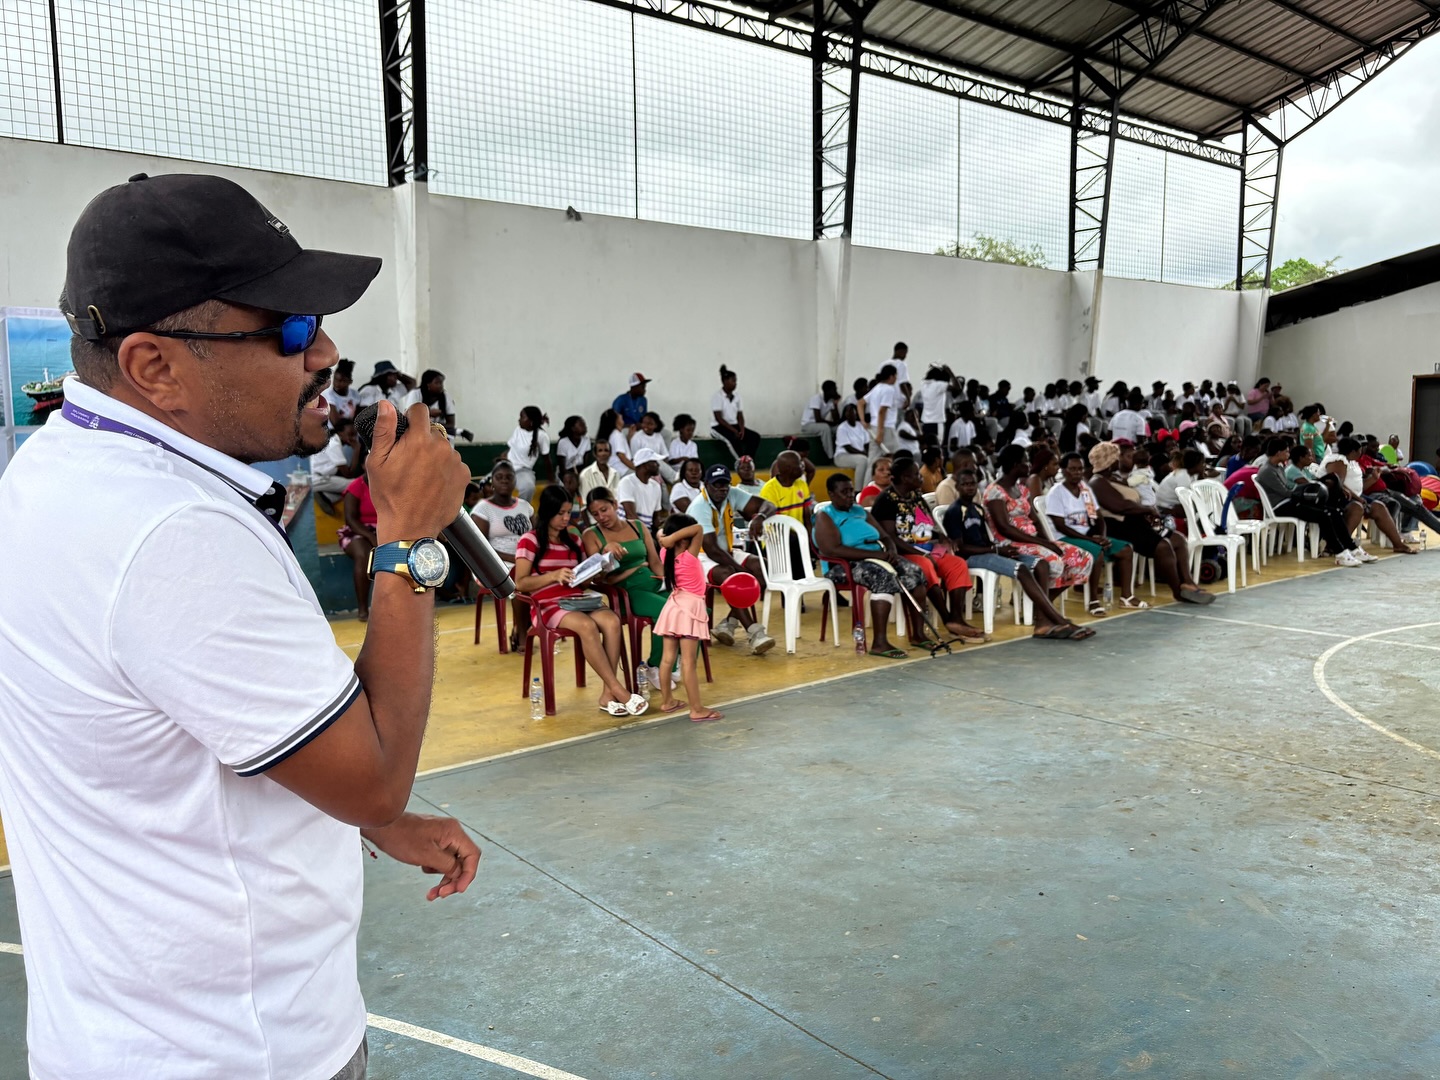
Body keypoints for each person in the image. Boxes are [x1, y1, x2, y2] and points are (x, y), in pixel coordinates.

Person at [0, 172, 479, 1079]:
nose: (324, 350)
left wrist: (359, 822)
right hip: (242, 1050)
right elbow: (376, 777)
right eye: (289, 329)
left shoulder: (55, 471)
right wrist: (410, 542)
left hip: (118, 1036)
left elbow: (165, 733)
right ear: (155, 367)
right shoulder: (174, 535)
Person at [515, 485, 648, 717]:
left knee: (612, 621)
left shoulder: (574, 540)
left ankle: (607, 694)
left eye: (569, 512)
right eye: (561, 513)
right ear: (547, 512)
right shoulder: (530, 540)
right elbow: (520, 583)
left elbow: (583, 581)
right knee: (587, 626)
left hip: (577, 599)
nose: (566, 518)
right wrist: (553, 576)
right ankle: (619, 690)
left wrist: (597, 569)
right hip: (547, 605)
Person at [942, 469, 1091, 640]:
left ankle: (1043, 619)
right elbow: (961, 549)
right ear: (957, 487)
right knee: (1021, 569)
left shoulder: (977, 509)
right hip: (972, 557)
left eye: (972, 484)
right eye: (965, 484)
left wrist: (1001, 550)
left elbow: (985, 540)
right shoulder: (955, 512)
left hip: (989, 552)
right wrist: (996, 551)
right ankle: (1057, 620)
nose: (969, 487)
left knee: (1041, 564)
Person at [814, 473, 927, 658]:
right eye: (844, 492)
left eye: (851, 491)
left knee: (915, 573)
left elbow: (885, 536)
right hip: (843, 565)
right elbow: (832, 549)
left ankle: (918, 634)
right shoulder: (825, 516)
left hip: (877, 558)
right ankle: (879, 643)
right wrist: (876, 555)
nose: (850, 495)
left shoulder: (860, 511)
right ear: (831, 494)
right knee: (883, 577)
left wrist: (891, 551)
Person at [872, 457, 984, 641]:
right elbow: (890, 537)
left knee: (957, 564)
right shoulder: (886, 501)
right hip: (904, 553)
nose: (921, 477)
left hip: (926, 547)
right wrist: (922, 554)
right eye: (916, 474)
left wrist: (941, 537)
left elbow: (923, 526)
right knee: (926, 565)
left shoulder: (915, 496)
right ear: (905, 478)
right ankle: (947, 619)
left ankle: (957, 618)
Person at [1088, 441, 1214, 604]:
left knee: (1179, 540)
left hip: (1134, 522)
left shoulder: (1114, 478)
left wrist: (1146, 512)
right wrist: (1147, 510)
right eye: (1116, 457)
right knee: (1163, 546)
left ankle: (1188, 583)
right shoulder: (1097, 483)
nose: (1119, 460)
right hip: (1118, 527)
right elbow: (1120, 506)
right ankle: (1178, 591)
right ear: (1109, 461)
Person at [984, 445, 1094, 607]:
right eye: (1025, 461)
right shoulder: (995, 492)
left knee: (1083, 558)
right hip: (1011, 543)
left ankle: (1042, 604)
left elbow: (1035, 520)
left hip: (1032, 540)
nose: (1029, 465)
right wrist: (1044, 544)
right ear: (1015, 465)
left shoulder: (1022, 489)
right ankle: (1041, 607)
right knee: (1055, 561)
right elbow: (1004, 528)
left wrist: (1048, 541)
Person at [583, 487, 670, 689]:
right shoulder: (592, 535)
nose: (601, 517)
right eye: (595, 514)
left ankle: (673, 663)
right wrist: (606, 553)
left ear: (615, 504)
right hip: (627, 592)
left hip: (652, 582)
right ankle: (655, 666)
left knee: (689, 605)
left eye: (604, 510)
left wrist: (669, 582)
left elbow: (655, 562)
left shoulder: (637, 526)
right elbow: (598, 578)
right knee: (666, 611)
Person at [1045, 453, 1145, 612]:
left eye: (1080, 469)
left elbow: (1099, 518)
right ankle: (1093, 601)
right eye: (1072, 469)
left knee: (1126, 549)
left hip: (1086, 536)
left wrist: (1102, 536)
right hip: (1064, 537)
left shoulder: (1085, 490)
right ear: (1063, 471)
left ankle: (1126, 596)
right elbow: (1060, 526)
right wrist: (1091, 540)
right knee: (1096, 552)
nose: (1077, 472)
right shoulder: (1056, 493)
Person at [694, 463, 777, 654]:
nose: (722, 489)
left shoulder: (732, 494)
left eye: (725, 484)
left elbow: (769, 505)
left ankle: (728, 623)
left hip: (727, 551)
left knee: (763, 568)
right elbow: (712, 550)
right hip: (701, 556)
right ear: (706, 485)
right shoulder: (699, 507)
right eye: (716, 484)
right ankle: (755, 633)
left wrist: (759, 517)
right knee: (729, 575)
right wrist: (741, 571)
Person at [1253, 438, 1368, 567]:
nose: (1288, 454)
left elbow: (1289, 490)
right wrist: (1306, 494)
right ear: (1278, 452)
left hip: (1290, 502)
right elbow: (1286, 492)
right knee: (1324, 515)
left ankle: (1352, 548)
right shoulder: (1267, 471)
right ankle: (1340, 553)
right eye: (1286, 451)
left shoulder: (1278, 467)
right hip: (1280, 506)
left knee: (1333, 511)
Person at [653, 515, 724, 720]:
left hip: (673, 607)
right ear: (684, 539)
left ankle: (667, 701)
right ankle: (697, 709)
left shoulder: (665, 553)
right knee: (688, 663)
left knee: (667, 659)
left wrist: (667, 539)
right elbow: (699, 528)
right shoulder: (689, 557)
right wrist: (672, 537)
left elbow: (661, 533)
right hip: (689, 609)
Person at [471, 460, 534, 649]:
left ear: (515, 481)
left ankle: (523, 627)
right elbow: (480, 549)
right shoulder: (483, 509)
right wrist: (514, 559)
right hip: (492, 564)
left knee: (541, 575)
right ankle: (522, 634)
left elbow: (536, 536)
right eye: (499, 477)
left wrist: (525, 559)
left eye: (509, 477)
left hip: (522, 560)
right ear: (492, 482)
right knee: (520, 579)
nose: (504, 481)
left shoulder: (525, 506)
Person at [340, 471, 380, 622]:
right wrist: (371, 537)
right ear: (364, 465)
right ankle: (363, 609)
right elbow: (350, 519)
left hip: (384, 529)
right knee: (364, 555)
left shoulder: (388, 483)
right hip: (358, 530)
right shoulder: (356, 486)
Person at [311, 415, 365, 505]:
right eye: (350, 434)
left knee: (345, 488)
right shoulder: (333, 444)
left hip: (323, 478)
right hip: (318, 479)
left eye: (355, 435)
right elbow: (348, 475)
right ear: (340, 433)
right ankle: (327, 496)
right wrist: (357, 449)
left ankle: (326, 496)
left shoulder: (332, 441)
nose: (353, 438)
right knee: (356, 485)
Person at [401, 368, 469, 440]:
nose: (441, 386)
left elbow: (451, 423)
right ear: (428, 384)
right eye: (437, 383)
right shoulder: (415, 394)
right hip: (418, 432)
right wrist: (429, 413)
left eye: (441, 383)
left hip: (439, 433)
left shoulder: (445, 396)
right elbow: (409, 417)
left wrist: (435, 426)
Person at [711, 364, 761, 460]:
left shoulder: (737, 396)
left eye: (736, 381)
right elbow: (719, 418)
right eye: (733, 381)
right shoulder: (717, 396)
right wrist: (734, 431)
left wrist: (741, 429)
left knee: (755, 437)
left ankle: (747, 460)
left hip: (734, 425)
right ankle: (740, 462)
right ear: (725, 381)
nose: (735, 383)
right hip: (718, 427)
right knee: (732, 439)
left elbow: (740, 415)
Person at [501, 405, 550, 500]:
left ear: (531, 421)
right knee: (486, 483)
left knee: (528, 487)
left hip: (523, 471)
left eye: (522, 417)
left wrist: (551, 480)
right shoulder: (518, 430)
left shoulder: (542, 436)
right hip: (506, 467)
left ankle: (522, 508)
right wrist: (503, 457)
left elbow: (547, 460)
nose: (519, 420)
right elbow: (511, 449)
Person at [758, 450, 813, 528]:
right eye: (800, 463)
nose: (803, 465)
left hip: (800, 533)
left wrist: (809, 534)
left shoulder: (802, 484)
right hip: (779, 534)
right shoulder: (769, 490)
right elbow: (774, 524)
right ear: (789, 469)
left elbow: (807, 516)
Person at [866, 363, 903, 474]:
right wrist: (881, 432)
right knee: (897, 458)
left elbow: (860, 402)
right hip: (886, 428)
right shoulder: (889, 389)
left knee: (873, 461)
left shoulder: (876, 388)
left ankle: (866, 484)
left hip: (874, 426)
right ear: (891, 376)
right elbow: (882, 411)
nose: (896, 379)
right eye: (895, 376)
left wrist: (863, 421)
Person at [617, 447, 665, 529]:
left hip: (645, 531)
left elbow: (655, 518)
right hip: (626, 530)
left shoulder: (656, 486)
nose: (658, 465)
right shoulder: (627, 482)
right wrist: (646, 535)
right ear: (645, 465)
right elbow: (631, 516)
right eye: (654, 462)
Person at [631, 411, 676, 485]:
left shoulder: (658, 436)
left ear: (656, 425)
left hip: (657, 466)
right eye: (644, 423)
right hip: (644, 465)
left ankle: (674, 479)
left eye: (650, 424)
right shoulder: (637, 437)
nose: (646, 426)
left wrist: (667, 469)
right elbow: (635, 459)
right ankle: (674, 479)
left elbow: (664, 455)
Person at [800, 380, 841, 460]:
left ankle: (840, 454)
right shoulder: (816, 398)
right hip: (807, 425)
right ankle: (830, 457)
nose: (836, 392)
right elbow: (818, 419)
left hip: (819, 425)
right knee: (825, 428)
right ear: (827, 391)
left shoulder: (830, 401)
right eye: (834, 389)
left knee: (838, 428)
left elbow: (836, 418)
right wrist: (831, 423)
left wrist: (835, 404)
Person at [915, 365, 953, 447]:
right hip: (937, 421)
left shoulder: (924, 385)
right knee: (937, 445)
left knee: (927, 446)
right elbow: (957, 387)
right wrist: (950, 372)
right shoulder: (938, 385)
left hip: (926, 421)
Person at [833, 402, 871, 486]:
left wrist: (869, 454)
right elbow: (848, 448)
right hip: (842, 456)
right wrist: (864, 454)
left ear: (856, 413)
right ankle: (858, 489)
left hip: (859, 455)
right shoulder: (842, 427)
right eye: (847, 412)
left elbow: (867, 444)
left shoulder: (861, 426)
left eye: (852, 412)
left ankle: (866, 487)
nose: (850, 414)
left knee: (871, 460)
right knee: (862, 461)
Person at [579, 439, 621, 509]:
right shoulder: (585, 475)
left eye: (606, 450)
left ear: (610, 453)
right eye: (600, 451)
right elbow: (585, 503)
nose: (603, 454)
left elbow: (618, 498)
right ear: (595, 454)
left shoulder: (616, 473)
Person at [324, 357, 361, 428]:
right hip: (333, 432)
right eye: (335, 379)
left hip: (351, 431)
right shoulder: (328, 395)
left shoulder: (355, 394)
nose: (337, 384)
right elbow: (336, 423)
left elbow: (358, 419)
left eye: (342, 381)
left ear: (350, 381)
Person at [598, 407, 634, 477]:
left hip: (618, 469)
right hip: (622, 470)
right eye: (618, 415)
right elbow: (621, 456)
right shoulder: (617, 435)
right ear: (615, 421)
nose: (621, 415)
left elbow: (624, 451)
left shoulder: (616, 434)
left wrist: (629, 437)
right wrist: (635, 468)